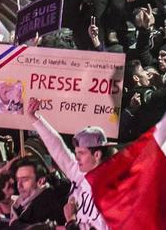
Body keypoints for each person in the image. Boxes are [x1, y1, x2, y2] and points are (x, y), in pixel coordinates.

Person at [27, 99, 109, 230]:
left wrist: (70, 220)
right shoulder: (79, 171)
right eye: (76, 152)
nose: (76, 157)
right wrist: (35, 118)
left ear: (97, 155)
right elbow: (57, 147)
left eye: (81, 153)